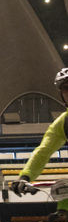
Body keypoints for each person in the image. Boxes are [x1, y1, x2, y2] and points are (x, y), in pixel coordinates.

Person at [11, 68, 68, 202]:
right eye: (66, 88)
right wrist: (25, 177)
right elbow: (42, 153)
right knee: (62, 190)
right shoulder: (63, 123)